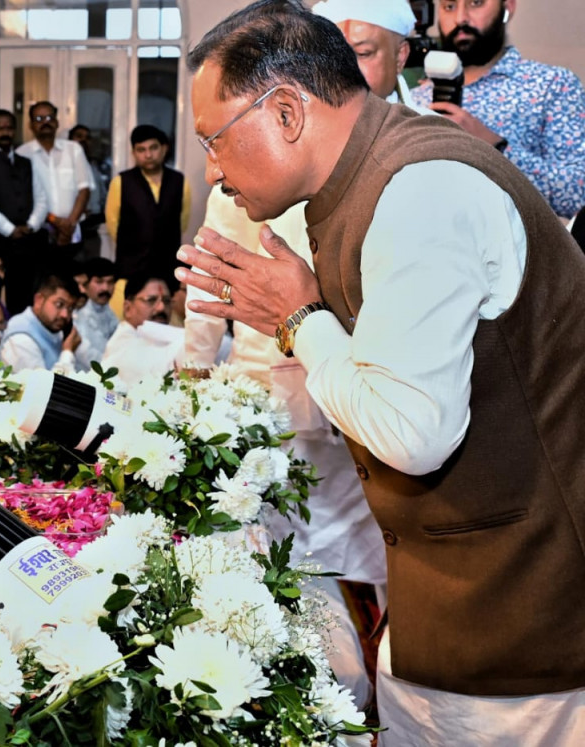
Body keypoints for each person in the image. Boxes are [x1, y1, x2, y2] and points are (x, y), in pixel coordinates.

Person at [179, 2, 585, 743]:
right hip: (448, 597)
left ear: (287, 112)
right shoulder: (372, 173)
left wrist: (299, 319)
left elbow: (413, 433)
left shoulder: (420, 189)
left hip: (522, 625)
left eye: (215, 139)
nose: (211, 168)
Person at [186, 189, 384, 708]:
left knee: (339, 529)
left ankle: (356, 670)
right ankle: (314, 678)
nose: (215, 171)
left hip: (340, 372)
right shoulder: (232, 186)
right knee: (281, 533)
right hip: (262, 386)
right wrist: (196, 370)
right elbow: (207, 277)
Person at [410, 0, 585, 218]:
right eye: (449, 6)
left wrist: (496, 148)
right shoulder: (415, 98)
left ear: (507, 7)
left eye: (476, 3)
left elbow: (577, 194)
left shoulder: (552, 84)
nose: (461, 18)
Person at [0, 109, 48, 314]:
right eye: (0, 128)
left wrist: (31, 225)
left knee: (26, 297)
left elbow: (41, 198)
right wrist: (8, 229)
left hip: (28, 241)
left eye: (10, 128)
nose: (6, 133)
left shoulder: (26, 162)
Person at [105, 124, 191, 294]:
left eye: (153, 148)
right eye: (141, 150)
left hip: (168, 268)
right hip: (131, 269)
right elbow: (113, 225)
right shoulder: (121, 182)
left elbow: (183, 222)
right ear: (134, 153)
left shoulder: (179, 181)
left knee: (165, 309)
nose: (148, 155)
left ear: (164, 149)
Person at [313, 0, 432, 113]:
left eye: (363, 53)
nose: (344, 71)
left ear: (400, 56)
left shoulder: (429, 127)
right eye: (334, 55)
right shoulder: (306, 124)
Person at [16, 102, 93, 265]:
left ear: (57, 122)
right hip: (38, 234)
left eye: (50, 117)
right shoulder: (22, 154)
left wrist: (69, 225)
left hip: (73, 233)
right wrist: (55, 221)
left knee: (75, 277)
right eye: (39, 119)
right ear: (31, 125)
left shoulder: (73, 149)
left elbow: (84, 189)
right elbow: (23, 197)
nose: (45, 122)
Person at [100, 274, 184, 392]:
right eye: (151, 300)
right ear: (128, 308)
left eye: (166, 301)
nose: (161, 307)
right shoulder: (123, 344)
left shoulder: (161, 338)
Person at [0, 270, 81, 374]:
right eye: (59, 304)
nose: (65, 315)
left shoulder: (51, 327)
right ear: (39, 300)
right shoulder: (21, 339)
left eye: (70, 308)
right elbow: (40, 384)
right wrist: (67, 352)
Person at [71, 257, 118, 371]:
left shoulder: (110, 314)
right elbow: (89, 358)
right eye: (99, 282)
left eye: (110, 282)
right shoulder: (77, 315)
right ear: (84, 286)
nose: (105, 288)